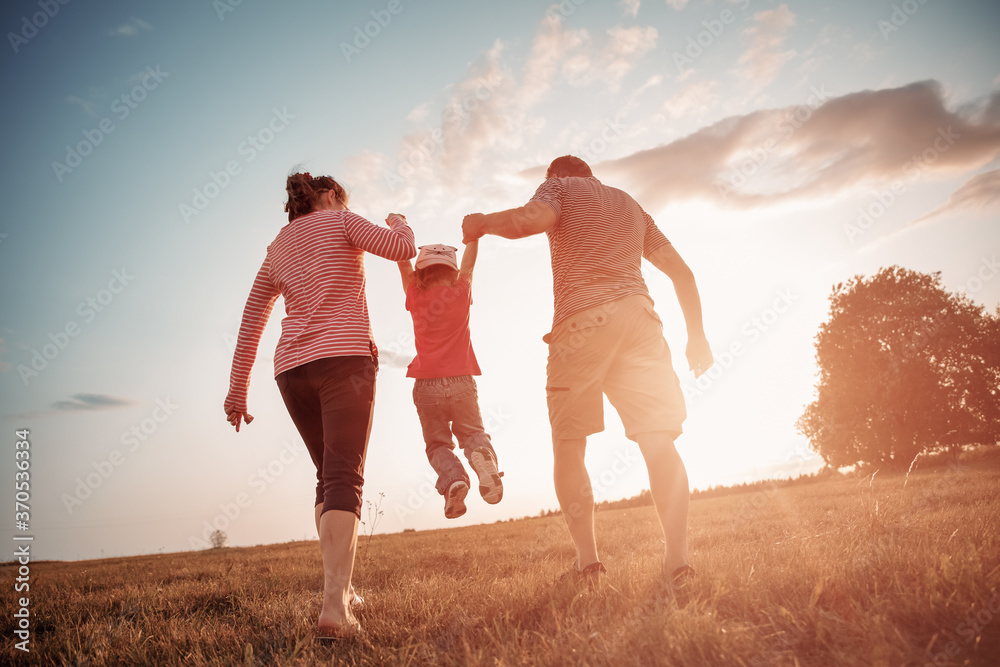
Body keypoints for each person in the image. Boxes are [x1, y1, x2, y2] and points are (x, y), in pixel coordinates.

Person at [462, 155, 713, 584]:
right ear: (592, 174)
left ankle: (588, 564)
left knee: (570, 444)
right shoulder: (631, 205)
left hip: (582, 324)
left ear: (554, 176)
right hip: (640, 321)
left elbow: (531, 219)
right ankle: (678, 562)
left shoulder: (559, 188)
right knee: (658, 441)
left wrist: (482, 222)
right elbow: (683, 274)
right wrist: (697, 337)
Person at [224, 172, 416, 637]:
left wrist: (236, 388)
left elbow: (253, 318)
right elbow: (401, 249)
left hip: (291, 371)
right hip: (343, 360)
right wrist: (400, 221)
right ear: (329, 196)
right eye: (340, 197)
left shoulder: (278, 246)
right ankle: (334, 608)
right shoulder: (342, 220)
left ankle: (342, 591)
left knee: (327, 477)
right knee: (344, 475)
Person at [396, 239, 504, 519]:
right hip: (461, 382)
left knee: (438, 445)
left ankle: (454, 479)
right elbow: (469, 265)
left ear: (420, 275)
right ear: (453, 273)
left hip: (427, 385)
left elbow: (402, 262)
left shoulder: (416, 298)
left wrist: (397, 226)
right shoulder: (461, 292)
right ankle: (482, 454)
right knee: (472, 433)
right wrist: (474, 237)